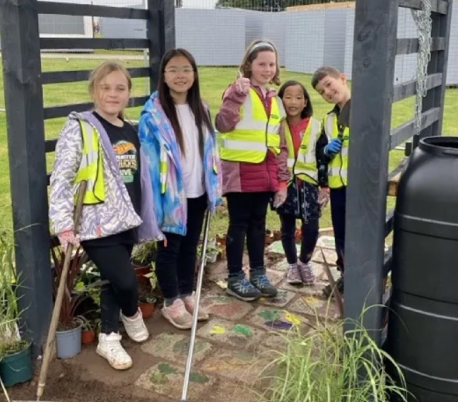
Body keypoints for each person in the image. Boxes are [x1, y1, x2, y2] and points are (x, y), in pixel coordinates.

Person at [49, 60, 164, 370]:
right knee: (126, 282)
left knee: (115, 279)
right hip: (97, 223)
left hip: (127, 219)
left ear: (128, 94)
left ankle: (108, 339)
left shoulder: (131, 130)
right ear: (94, 91)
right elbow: (61, 178)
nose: (113, 94)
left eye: (120, 88)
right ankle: (131, 314)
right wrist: (62, 224)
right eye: (106, 87)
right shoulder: (81, 126)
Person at [139, 48, 222, 329]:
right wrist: (156, 201)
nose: (180, 75)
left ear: (195, 74)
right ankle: (171, 301)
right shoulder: (153, 114)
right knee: (169, 249)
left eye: (186, 69)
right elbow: (149, 163)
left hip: (197, 191)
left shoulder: (202, 108)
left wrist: (214, 188)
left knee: (190, 247)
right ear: (163, 75)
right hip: (171, 196)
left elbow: (211, 152)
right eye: (173, 69)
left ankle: (187, 293)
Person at [215, 39, 289, 302]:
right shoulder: (237, 91)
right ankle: (235, 276)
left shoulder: (274, 99)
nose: (267, 69)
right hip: (240, 171)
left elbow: (279, 143)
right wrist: (236, 95)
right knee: (239, 224)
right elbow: (223, 124)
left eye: (272, 64)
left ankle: (258, 273)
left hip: (265, 173)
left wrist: (282, 181)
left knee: (259, 225)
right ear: (249, 65)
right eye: (261, 64)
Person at [274, 80, 330, 285]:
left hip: (309, 185)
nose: (293, 102)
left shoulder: (315, 126)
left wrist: (324, 186)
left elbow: (323, 157)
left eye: (298, 97)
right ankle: (292, 266)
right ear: (280, 100)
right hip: (285, 185)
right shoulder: (276, 125)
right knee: (287, 227)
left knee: (312, 226)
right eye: (287, 96)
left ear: (305, 101)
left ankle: (305, 262)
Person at [311, 66, 352, 297]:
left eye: (329, 84)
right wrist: (326, 150)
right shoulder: (328, 119)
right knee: (342, 233)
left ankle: (361, 275)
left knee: (361, 232)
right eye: (321, 91)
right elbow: (321, 153)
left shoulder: (364, 109)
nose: (327, 91)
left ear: (342, 78)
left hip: (360, 186)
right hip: (338, 187)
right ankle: (345, 274)